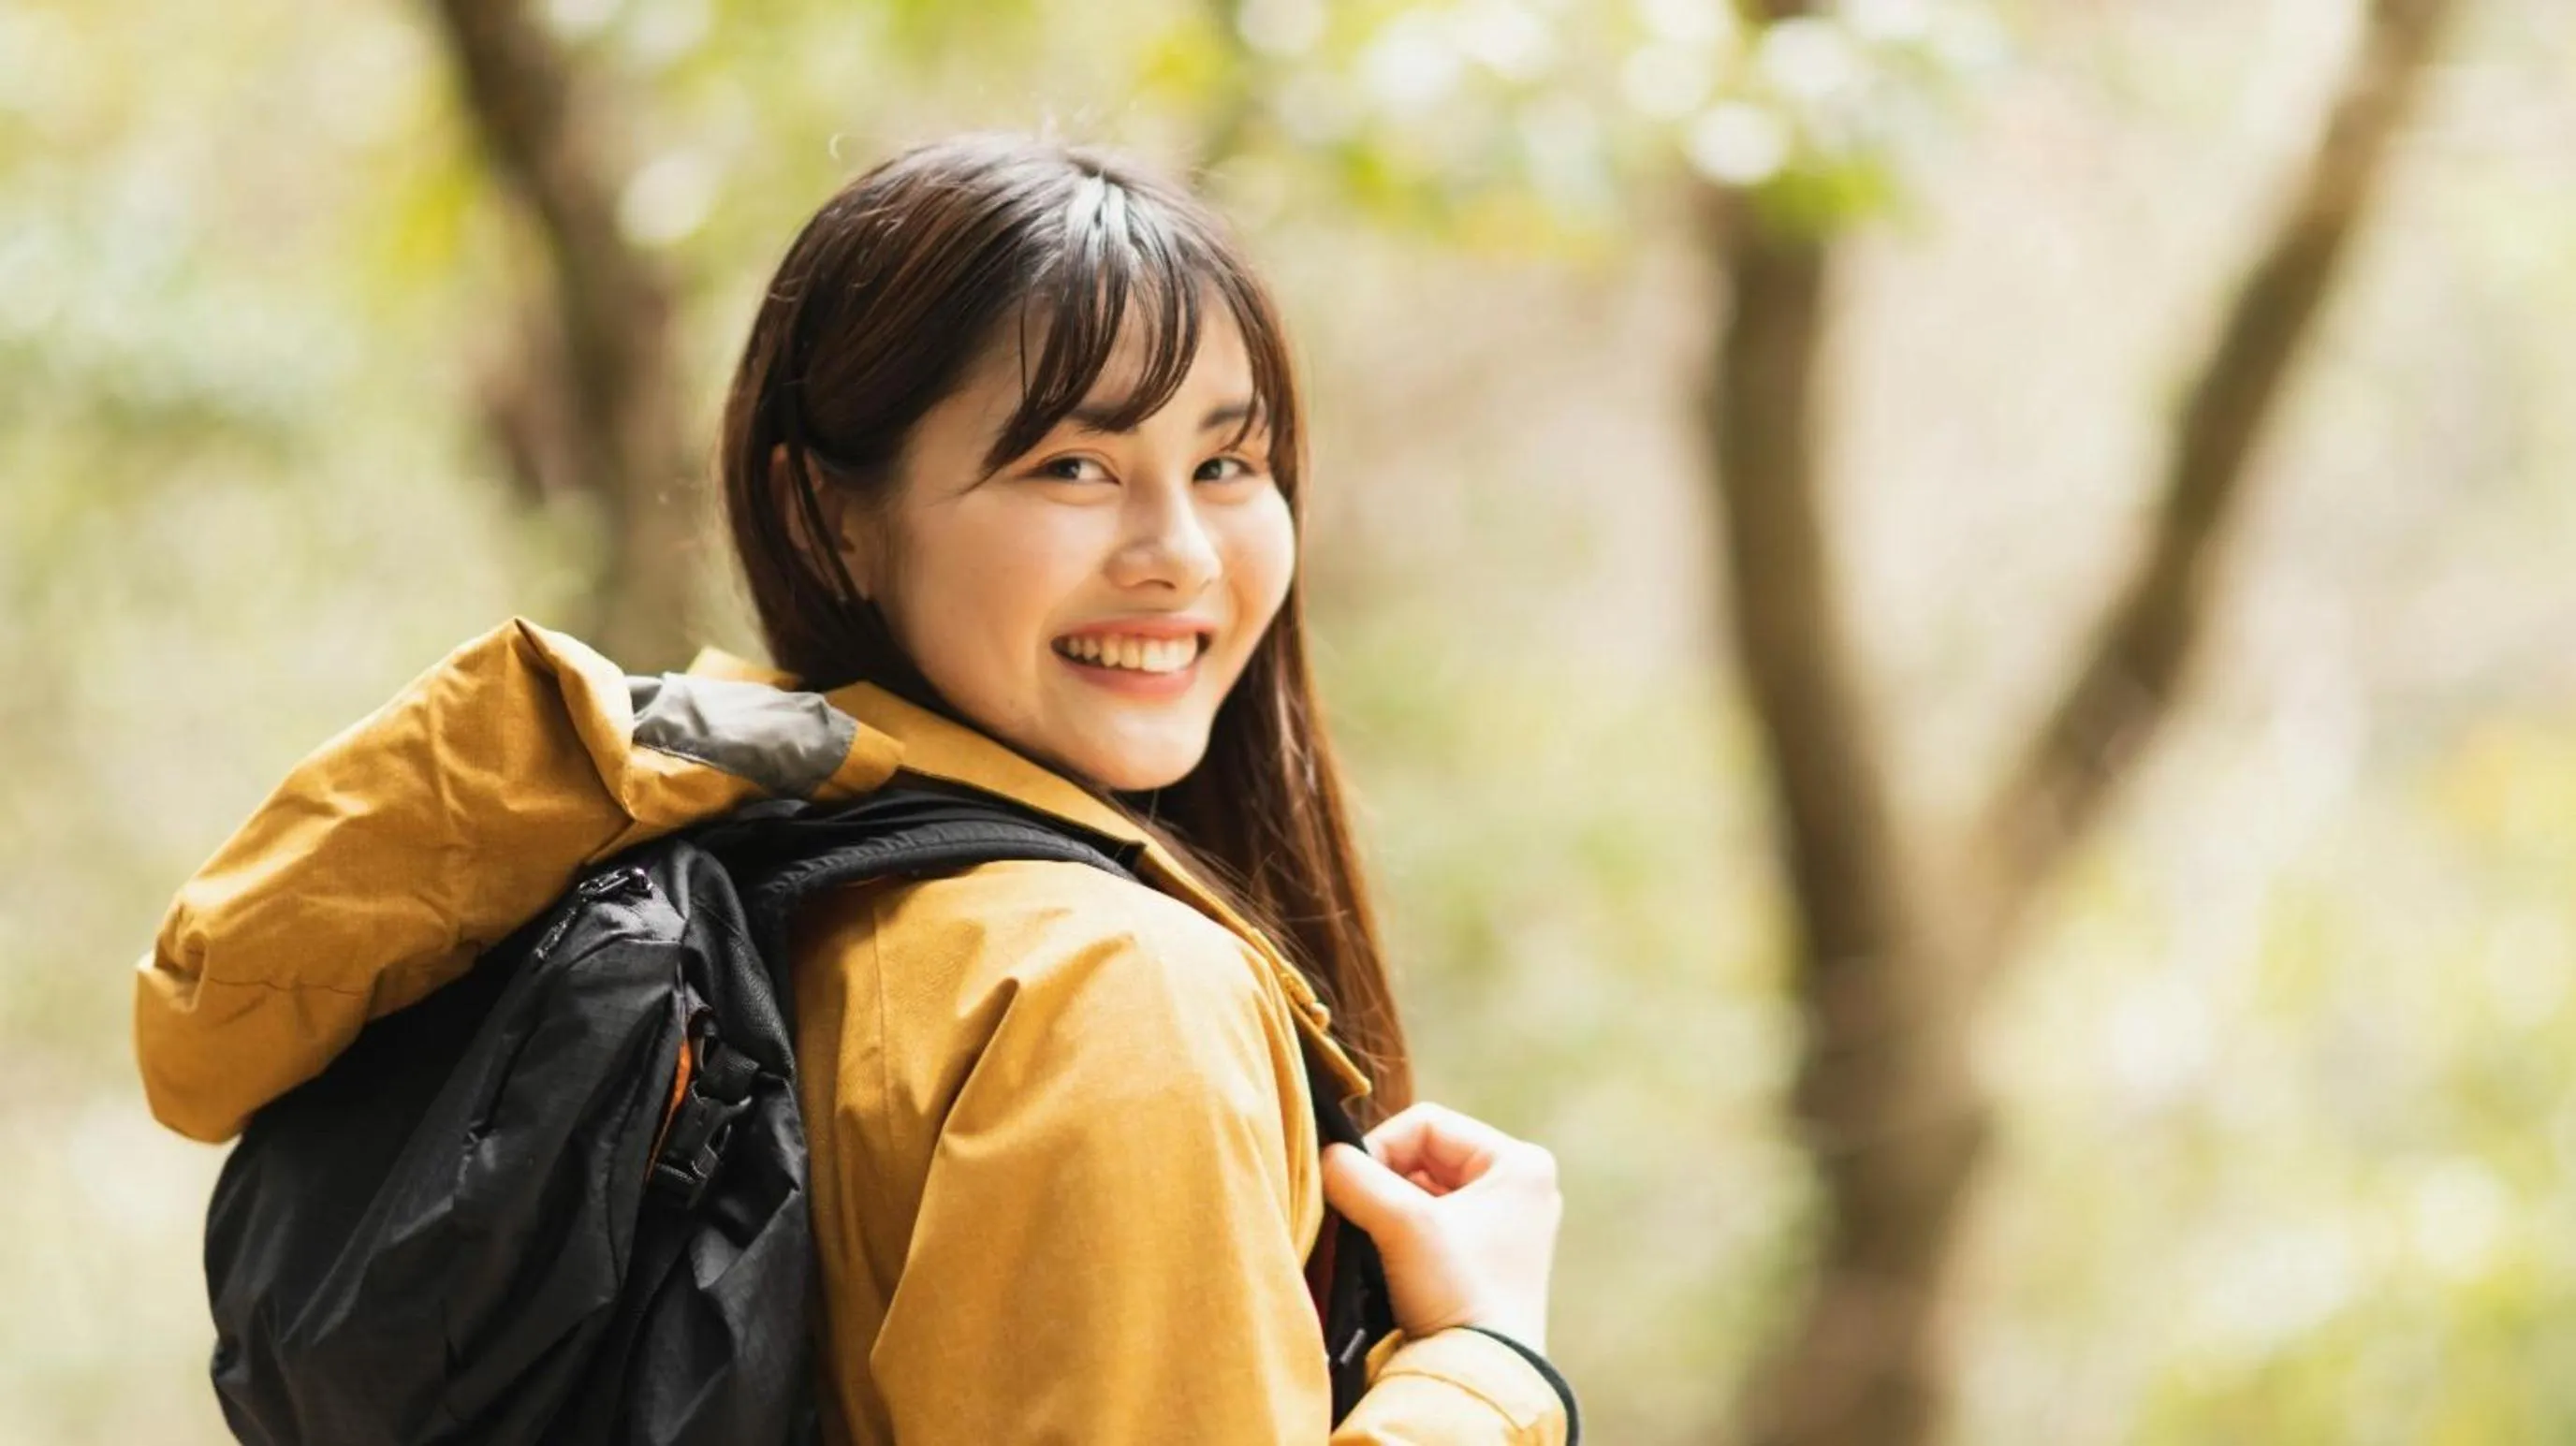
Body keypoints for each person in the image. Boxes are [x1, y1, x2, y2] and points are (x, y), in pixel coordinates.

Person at [136, 133, 1572, 1443]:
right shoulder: (1107, 993)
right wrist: (1491, 1370)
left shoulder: (715, 876)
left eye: (1229, 461)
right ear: (832, 515)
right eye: (1074, 464)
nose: (1182, 552)